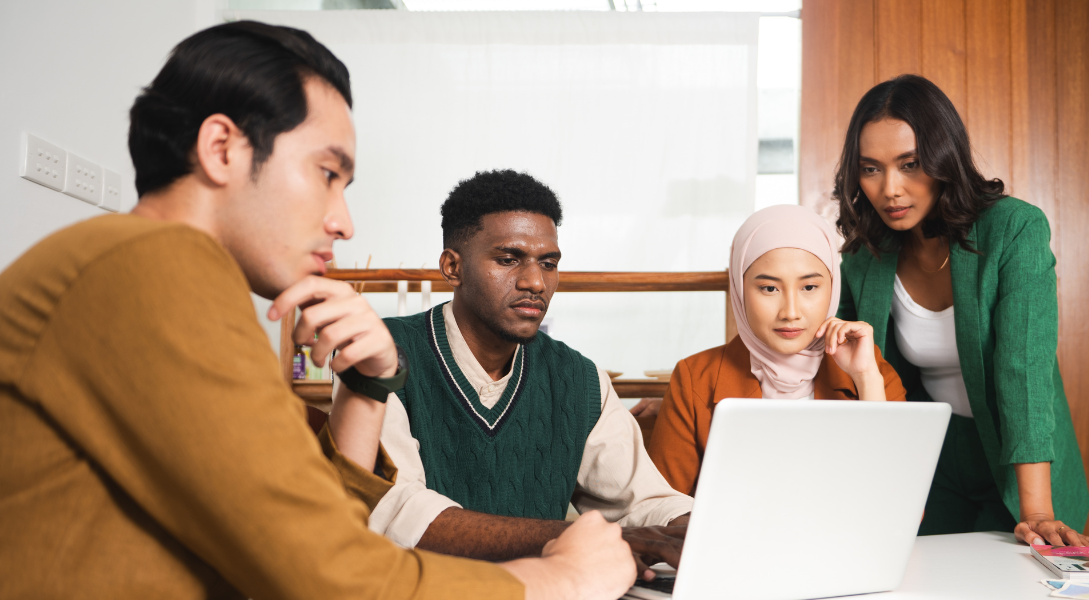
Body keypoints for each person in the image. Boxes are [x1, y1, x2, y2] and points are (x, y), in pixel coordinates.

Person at [0, 21, 635, 600]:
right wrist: (556, 579)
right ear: (223, 148)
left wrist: (366, 386)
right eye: (327, 174)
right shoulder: (150, 263)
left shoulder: (162, 274)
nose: (344, 222)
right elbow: (331, 578)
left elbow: (327, 528)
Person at [369, 169, 693, 580]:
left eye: (549, 263)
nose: (535, 282)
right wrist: (574, 537)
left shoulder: (580, 379)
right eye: (508, 260)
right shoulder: (381, 352)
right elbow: (399, 514)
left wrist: (693, 524)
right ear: (453, 267)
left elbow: (642, 501)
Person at [832, 73, 1089, 547]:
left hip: (1016, 455)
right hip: (929, 456)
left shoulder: (1014, 229)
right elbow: (841, 367)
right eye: (871, 168)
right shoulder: (864, 256)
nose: (890, 188)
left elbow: (1024, 370)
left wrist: (1035, 509)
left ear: (943, 158)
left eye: (910, 164)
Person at [646, 204, 906, 496]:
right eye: (769, 289)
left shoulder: (871, 370)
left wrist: (866, 379)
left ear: (832, 287)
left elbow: (902, 503)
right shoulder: (695, 377)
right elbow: (662, 512)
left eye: (809, 287)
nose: (791, 312)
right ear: (740, 289)